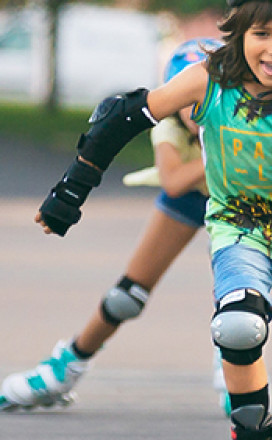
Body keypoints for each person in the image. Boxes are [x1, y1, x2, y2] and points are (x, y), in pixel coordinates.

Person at [33, 1, 272, 439]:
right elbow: (121, 116)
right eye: (262, 34)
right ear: (239, 32)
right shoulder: (209, 78)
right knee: (238, 324)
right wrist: (72, 189)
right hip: (240, 228)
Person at [0, 37, 220, 413]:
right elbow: (173, 181)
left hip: (235, 201)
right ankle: (66, 366)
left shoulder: (239, 116)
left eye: (202, 94)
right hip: (188, 197)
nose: (194, 106)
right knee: (126, 295)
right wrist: (226, 151)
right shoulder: (168, 127)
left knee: (240, 305)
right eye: (184, 97)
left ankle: (236, 370)